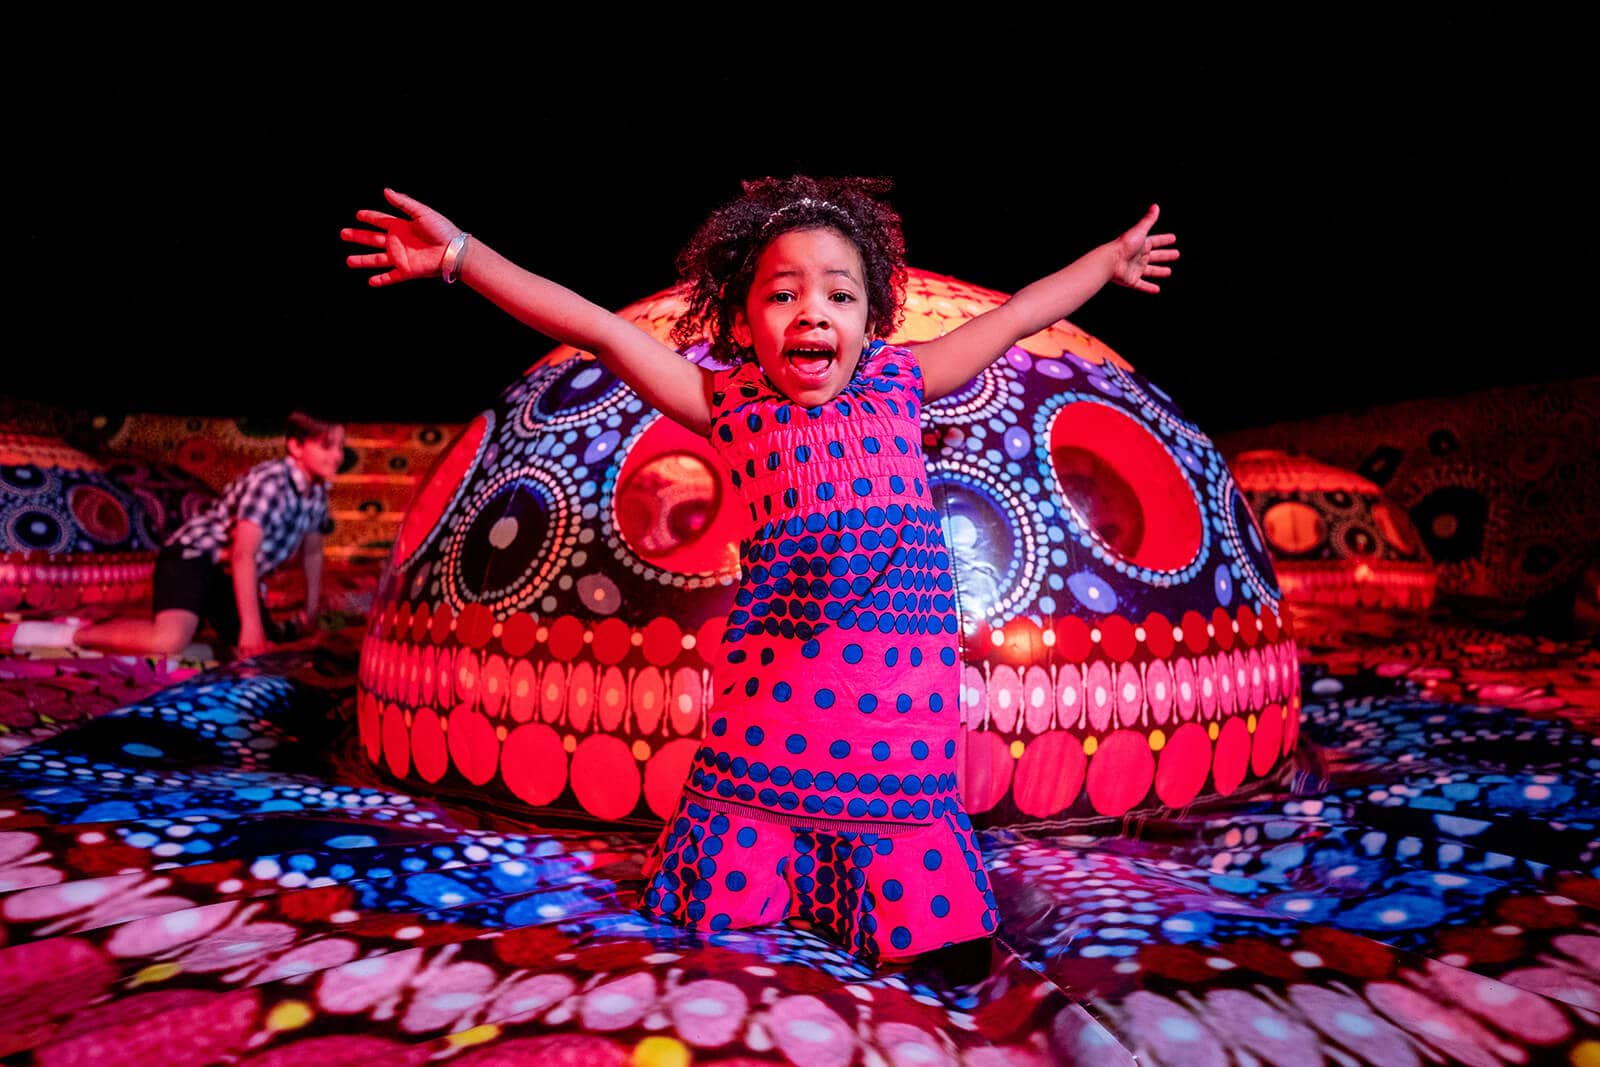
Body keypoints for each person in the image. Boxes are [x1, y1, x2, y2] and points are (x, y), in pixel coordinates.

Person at [342, 178, 1176, 967]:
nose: (812, 310)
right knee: (739, 849)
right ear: (741, 320)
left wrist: (1107, 261)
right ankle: (767, 881)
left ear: (872, 318)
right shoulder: (727, 402)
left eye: (838, 295)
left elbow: (1024, 310)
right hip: (778, 691)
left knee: (920, 887)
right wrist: (459, 254)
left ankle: (899, 899)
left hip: (897, 699)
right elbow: (598, 328)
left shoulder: (901, 379)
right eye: (783, 293)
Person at [71, 413, 342, 659]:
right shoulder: (272, 483)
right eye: (326, 446)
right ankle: (76, 633)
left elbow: (312, 552)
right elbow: (242, 554)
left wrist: (311, 609)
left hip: (226, 575)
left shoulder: (316, 492)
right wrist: (249, 626)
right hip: (194, 556)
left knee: (263, 653)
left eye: (340, 446)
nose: (337, 455)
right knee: (169, 640)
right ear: (296, 446)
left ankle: (212, 622)